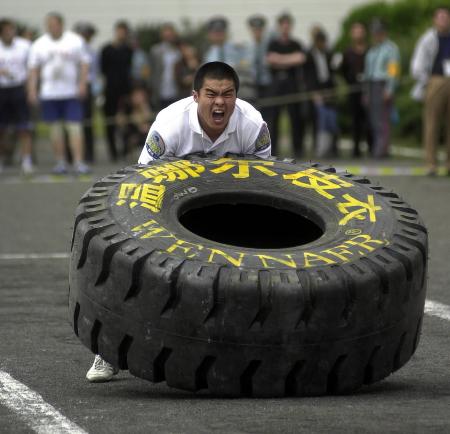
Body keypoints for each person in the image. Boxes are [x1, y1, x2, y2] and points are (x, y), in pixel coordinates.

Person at [86, 61, 271, 382]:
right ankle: (109, 352)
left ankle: (255, 348)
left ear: (236, 97)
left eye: (228, 95)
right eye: (211, 94)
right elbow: (141, 188)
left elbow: (265, 185)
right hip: (167, 209)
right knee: (138, 266)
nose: (220, 102)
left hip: (233, 205)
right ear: (195, 95)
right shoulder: (169, 125)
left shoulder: (252, 124)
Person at [28, 12, 90, 175]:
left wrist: (82, 84)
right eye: (49, 26)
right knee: (55, 130)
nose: (52, 28)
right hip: (49, 94)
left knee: (74, 128)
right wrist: (32, 90)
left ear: (61, 25)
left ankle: (78, 162)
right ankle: (60, 162)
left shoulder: (75, 41)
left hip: (71, 93)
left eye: (55, 25)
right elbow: (34, 69)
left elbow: (84, 63)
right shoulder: (39, 44)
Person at [411, 6, 450, 176]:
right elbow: (417, 65)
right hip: (435, 80)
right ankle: (431, 163)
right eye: (440, 17)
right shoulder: (428, 39)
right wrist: (427, 80)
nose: (444, 20)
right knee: (432, 123)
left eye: (446, 17)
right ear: (435, 19)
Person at [266, 12, 307, 157]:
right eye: (282, 25)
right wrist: (290, 59)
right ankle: (273, 149)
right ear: (279, 27)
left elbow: (300, 58)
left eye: (287, 25)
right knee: (274, 118)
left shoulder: (296, 44)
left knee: (295, 117)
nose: (285, 28)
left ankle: (298, 149)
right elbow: (270, 59)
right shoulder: (273, 43)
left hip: (292, 85)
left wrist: (280, 60)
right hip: (276, 85)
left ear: (290, 27)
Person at [0, 18, 34, 174]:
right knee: (2, 129)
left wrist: (30, 88)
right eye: (6, 30)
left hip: (19, 89)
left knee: (24, 127)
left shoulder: (24, 46)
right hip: (2, 90)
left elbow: (32, 67)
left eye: (12, 30)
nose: (9, 33)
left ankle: (26, 161)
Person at [364, 19, 400, 159]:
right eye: (374, 32)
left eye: (378, 32)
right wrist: (366, 92)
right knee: (374, 119)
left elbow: (393, 70)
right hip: (372, 85)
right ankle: (377, 147)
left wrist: (389, 89)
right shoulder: (373, 49)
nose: (375, 35)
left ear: (384, 32)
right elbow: (368, 71)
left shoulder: (391, 48)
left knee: (383, 120)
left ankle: (382, 149)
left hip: (383, 84)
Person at [100, 20, 133, 161]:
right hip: (110, 91)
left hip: (125, 92)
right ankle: (113, 152)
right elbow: (102, 70)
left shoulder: (129, 50)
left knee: (127, 122)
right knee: (110, 123)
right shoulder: (106, 50)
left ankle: (125, 150)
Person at [305, 26, 339, 158]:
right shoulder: (309, 55)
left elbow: (333, 71)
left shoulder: (329, 54)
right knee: (318, 120)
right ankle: (319, 148)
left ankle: (333, 148)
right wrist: (313, 92)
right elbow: (307, 76)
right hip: (316, 90)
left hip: (329, 89)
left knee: (332, 120)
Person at [341, 22, 372, 157]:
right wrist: (349, 81)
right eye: (356, 31)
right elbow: (342, 69)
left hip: (368, 90)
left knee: (369, 119)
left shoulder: (370, 50)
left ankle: (372, 146)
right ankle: (356, 149)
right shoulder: (347, 52)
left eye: (360, 31)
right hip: (353, 90)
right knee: (355, 120)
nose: (358, 34)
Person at [74, 22, 98, 164]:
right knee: (74, 122)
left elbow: (95, 72)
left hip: (88, 86)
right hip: (73, 86)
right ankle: (73, 154)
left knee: (88, 121)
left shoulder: (92, 51)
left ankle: (89, 153)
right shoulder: (73, 49)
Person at [149, 23, 181, 111]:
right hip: (160, 91)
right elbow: (152, 71)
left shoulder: (178, 51)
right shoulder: (155, 50)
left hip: (175, 91)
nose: (169, 36)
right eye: (166, 33)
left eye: (170, 33)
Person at [246, 15, 272, 120]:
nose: (257, 32)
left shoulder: (268, 45)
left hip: (266, 83)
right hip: (253, 84)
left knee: (268, 114)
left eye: (259, 29)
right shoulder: (248, 47)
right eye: (255, 29)